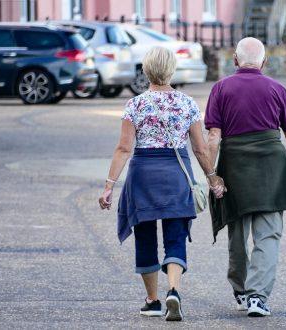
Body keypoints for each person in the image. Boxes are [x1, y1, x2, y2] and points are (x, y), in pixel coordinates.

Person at [98, 46, 226, 322]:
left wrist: (109, 185)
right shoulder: (187, 103)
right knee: (175, 237)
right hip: (176, 176)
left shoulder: (135, 104)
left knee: (145, 236)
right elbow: (201, 149)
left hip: (143, 177)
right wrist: (212, 178)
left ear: (146, 70)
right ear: (171, 70)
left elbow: (123, 148)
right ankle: (175, 292)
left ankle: (153, 301)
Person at [205, 37, 286, 317]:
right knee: (268, 234)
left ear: (235, 61)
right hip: (271, 167)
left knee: (237, 232)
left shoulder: (221, 88)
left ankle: (240, 291)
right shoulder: (277, 89)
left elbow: (213, 137)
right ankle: (257, 298)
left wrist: (212, 174)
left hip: (235, 165)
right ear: (264, 62)